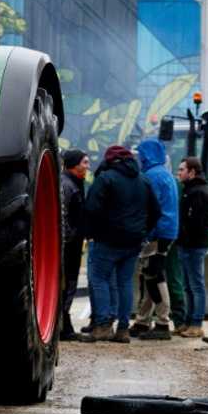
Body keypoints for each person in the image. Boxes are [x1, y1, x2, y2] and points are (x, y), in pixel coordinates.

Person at [80, 145, 160, 343]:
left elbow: (91, 208)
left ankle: (103, 326)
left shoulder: (106, 179)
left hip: (106, 240)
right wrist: (143, 232)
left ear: (110, 160)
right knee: (125, 283)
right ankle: (123, 329)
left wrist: (92, 233)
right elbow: (156, 211)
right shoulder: (144, 180)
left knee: (100, 279)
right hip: (133, 242)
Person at [131, 139, 179, 340]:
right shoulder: (166, 174)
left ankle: (162, 322)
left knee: (154, 276)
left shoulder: (151, 176)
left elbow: (151, 208)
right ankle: (143, 320)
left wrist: (146, 233)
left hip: (156, 233)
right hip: (167, 231)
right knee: (151, 274)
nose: (138, 158)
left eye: (140, 154)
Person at [174, 157, 208, 338]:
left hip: (194, 245)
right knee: (188, 286)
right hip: (186, 244)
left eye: (182, 170)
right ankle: (189, 322)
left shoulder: (198, 192)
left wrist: (185, 238)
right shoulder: (189, 190)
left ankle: (196, 323)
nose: (178, 173)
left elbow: (197, 222)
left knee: (196, 285)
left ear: (192, 172)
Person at [60, 149, 89, 340]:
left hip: (74, 244)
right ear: (74, 164)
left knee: (69, 283)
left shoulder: (75, 183)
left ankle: (65, 322)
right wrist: (69, 237)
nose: (87, 166)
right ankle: (63, 325)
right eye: (84, 162)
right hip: (67, 247)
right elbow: (62, 216)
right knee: (66, 283)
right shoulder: (67, 185)